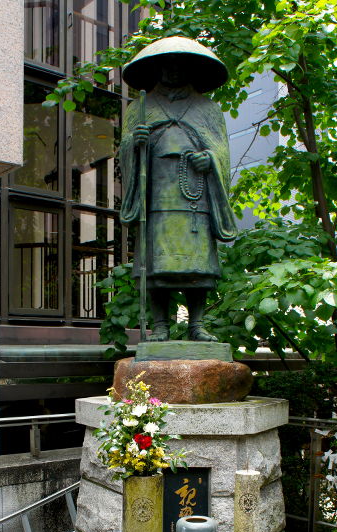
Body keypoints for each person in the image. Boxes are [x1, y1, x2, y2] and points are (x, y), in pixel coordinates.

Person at [120, 36, 238, 341]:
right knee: (157, 264)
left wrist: (209, 158)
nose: (173, 71)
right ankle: (160, 325)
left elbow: (221, 150)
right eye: (167, 65)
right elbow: (124, 147)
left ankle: (196, 324)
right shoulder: (140, 107)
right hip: (156, 194)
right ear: (157, 68)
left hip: (195, 196)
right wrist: (136, 142)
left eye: (179, 65)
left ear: (190, 69)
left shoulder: (207, 109)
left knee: (197, 265)